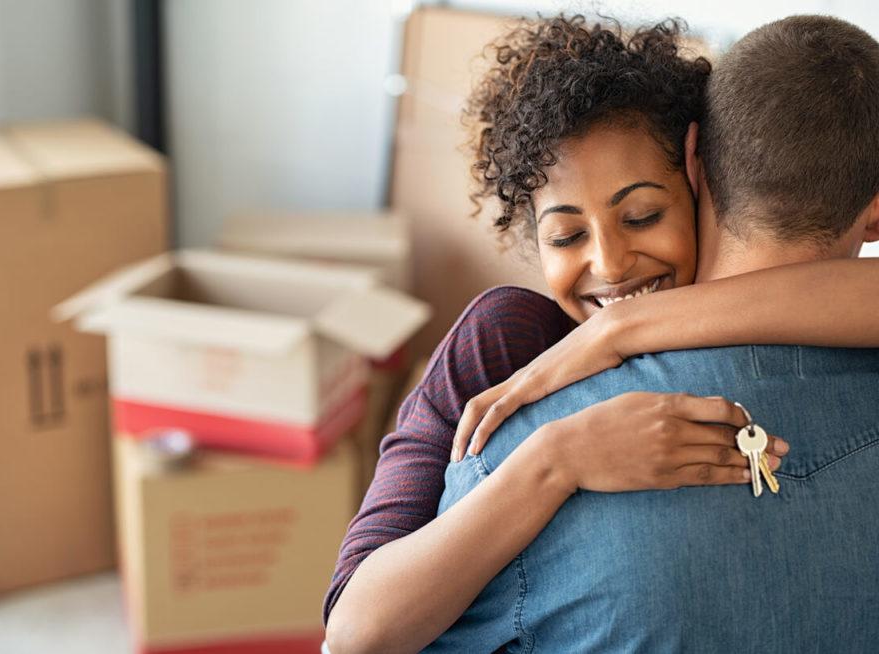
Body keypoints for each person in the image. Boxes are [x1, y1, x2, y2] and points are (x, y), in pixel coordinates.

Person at [324, 15, 879, 654]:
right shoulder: (505, 348)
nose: (612, 266)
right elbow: (353, 632)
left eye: (643, 215)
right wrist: (555, 459)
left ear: (695, 172)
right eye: (566, 236)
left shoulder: (597, 357)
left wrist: (621, 328)